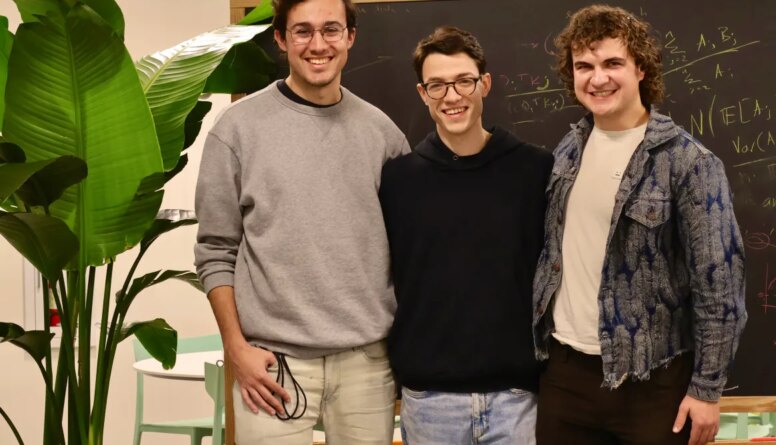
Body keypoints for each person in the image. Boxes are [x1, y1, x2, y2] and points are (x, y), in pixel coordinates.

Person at [193, 0, 409, 442]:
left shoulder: (383, 134)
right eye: (302, 31)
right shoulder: (236, 130)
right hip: (271, 367)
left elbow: (410, 250)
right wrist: (236, 348)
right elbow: (215, 251)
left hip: (366, 366)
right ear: (281, 39)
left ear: (350, 37)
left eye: (331, 30)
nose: (318, 44)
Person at [532, 5, 747, 445]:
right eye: (584, 66)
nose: (598, 78)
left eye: (613, 63)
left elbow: (720, 283)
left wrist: (706, 390)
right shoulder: (568, 151)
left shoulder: (688, 162)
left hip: (653, 384)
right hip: (565, 376)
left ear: (641, 69)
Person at [379, 26, 553, 445]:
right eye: (437, 85)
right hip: (429, 401)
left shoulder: (534, 171)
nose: (451, 96)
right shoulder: (399, 180)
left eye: (463, 82)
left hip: (516, 400)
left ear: (484, 84)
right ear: (423, 94)